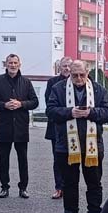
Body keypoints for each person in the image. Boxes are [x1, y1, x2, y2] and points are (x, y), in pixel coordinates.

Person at [46, 60, 108, 213]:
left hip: (93, 145)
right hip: (65, 145)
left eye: (82, 75)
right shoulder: (58, 88)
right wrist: (70, 112)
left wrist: (91, 113)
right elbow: (50, 111)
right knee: (69, 182)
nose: (78, 78)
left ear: (87, 72)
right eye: (74, 75)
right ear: (70, 73)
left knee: (94, 182)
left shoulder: (99, 90)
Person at [0, 53, 39, 198]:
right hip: (5, 127)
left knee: (23, 159)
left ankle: (23, 188)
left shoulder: (26, 82)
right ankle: (4, 187)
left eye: (15, 63)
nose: (13, 65)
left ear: (19, 64)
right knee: (3, 160)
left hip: (21, 128)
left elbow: (35, 102)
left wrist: (21, 104)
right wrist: (4, 105)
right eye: (10, 63)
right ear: (6, 65)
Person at [43, 57, 72, 199]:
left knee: (73, 158)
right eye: (64, 66)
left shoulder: (78, 81)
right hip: (56, 127)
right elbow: (49, 104)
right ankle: (59, 187)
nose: (66, 68)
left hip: (75, 126)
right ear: (59, 67)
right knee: (58, 159)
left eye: (69, 66)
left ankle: (70, 187)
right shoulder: (52, 83)